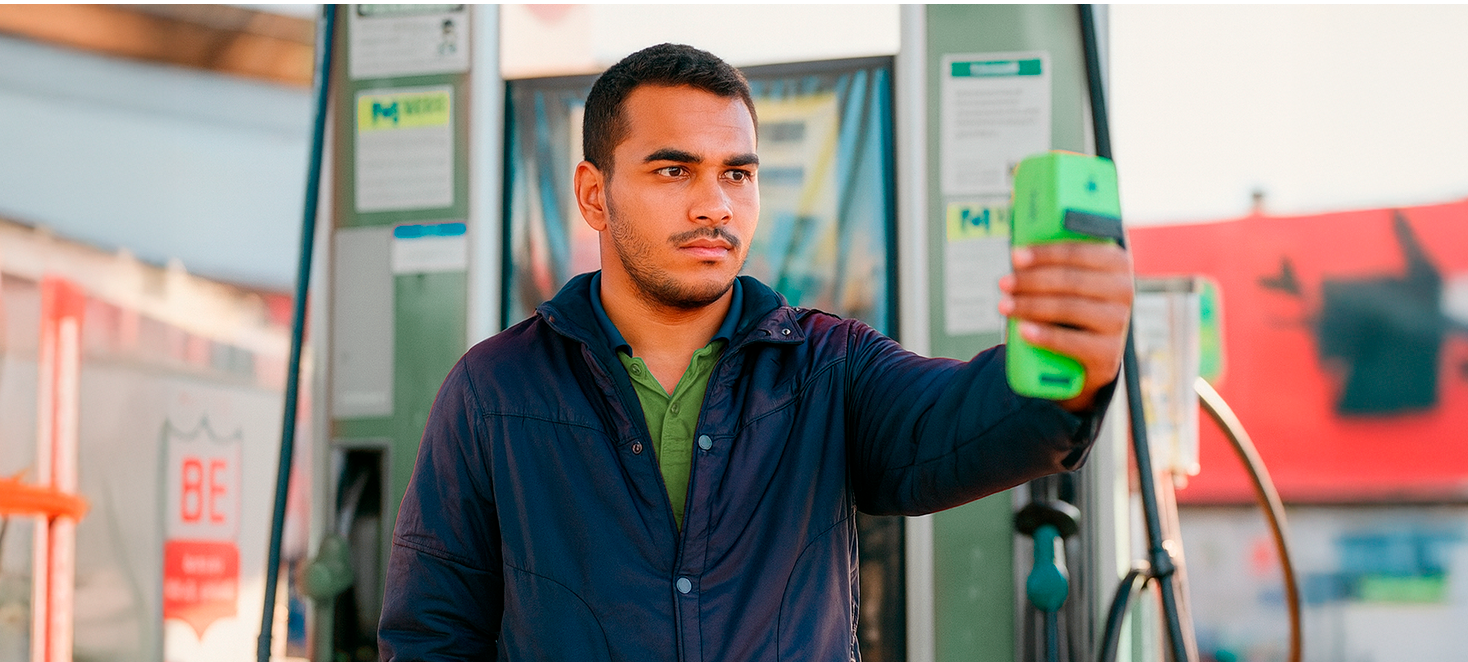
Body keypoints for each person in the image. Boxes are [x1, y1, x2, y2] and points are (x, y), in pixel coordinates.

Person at [378, 43, 1132, 661]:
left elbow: (954, 423)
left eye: (736, 173)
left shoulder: (829, 365)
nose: (716, 204)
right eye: (674, 170)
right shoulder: (493, 391)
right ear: (593, 194)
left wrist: (1066, 370)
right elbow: (431, 637)